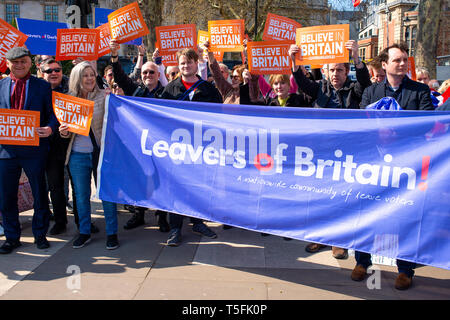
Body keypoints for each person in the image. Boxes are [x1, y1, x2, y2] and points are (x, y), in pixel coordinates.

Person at [357, 43, 434, 290]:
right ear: (385, 65)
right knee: (367, 212)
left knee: (406, 216)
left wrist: (397, 129)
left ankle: (405, 269)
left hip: (407, 165)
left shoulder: (419, 91)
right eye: (397, 60)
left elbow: (427, 125)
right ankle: (361, 261)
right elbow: (363, 122)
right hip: (376, 164)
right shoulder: (371, 92)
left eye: (404, 60)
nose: (402, 63)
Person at [289, 40, 372, 259]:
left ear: (346, 72)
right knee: (319, 198)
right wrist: (294, 61)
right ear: (325, 72)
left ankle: (339, 241)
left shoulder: (354, 90)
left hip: (346, 155)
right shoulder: (319, 88)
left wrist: (356, 57)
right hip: (321, 154)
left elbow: (365, 81)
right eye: (331, 70)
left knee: (342, 198)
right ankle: (319, 237)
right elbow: (301, 81)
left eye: (339, 70)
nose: (335, 74)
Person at [160, 48, 222, 246]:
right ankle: (176, 228)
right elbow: (159, 116)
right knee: (176, 188)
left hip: (201, 148)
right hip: (177, 148)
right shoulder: (170, 89)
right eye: (182, 63)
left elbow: (219, 117)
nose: (185, 66)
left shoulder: (209, 89)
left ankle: (197, 221)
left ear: (197, 64)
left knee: (198, 186)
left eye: (189, 62)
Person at [0, 47, 58, 254]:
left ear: (30, 63)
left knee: (39, 193)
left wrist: (50, 128)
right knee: (6, 196)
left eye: (23, 61)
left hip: (34, 150)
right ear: (7, 64)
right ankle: (12, 237)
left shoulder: (42, 86)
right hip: (6, 152)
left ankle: (40, 235)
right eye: (15, 62)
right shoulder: (1, 86)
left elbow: (53, 114)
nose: (19, 65)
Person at [109, 39, 170, 232]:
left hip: (161, 146)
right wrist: (114, 55)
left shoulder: (167, 93)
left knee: (161, 181)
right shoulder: (136, 91)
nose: (148, 75)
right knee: (139, 179)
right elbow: (119, 75)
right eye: (145, 72)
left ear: (158, 74)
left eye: (152, 72)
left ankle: (162, 217)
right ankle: (139, 214)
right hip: (140, 145)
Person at [59, 61, 119, 250]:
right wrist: (63, 131)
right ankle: (84, 232)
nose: (90, 78)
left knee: (106, 195)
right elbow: (66, 132)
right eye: (85, 75)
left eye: (92, 74)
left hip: (101, 154)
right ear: (77, 78)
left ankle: (112, 233)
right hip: (77, 155)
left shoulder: (104, 96)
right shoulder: (67, 99)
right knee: (81, 195)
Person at [40, 58, 70, 235]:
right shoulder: (36, 90)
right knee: (40, 186)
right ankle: (44, 216)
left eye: (57, 70)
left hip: (62, 146)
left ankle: (61, 221)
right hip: (37, 146)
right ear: (42, 73)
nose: (53, 73)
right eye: (49, 70)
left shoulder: (69, 90)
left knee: (57, 186)